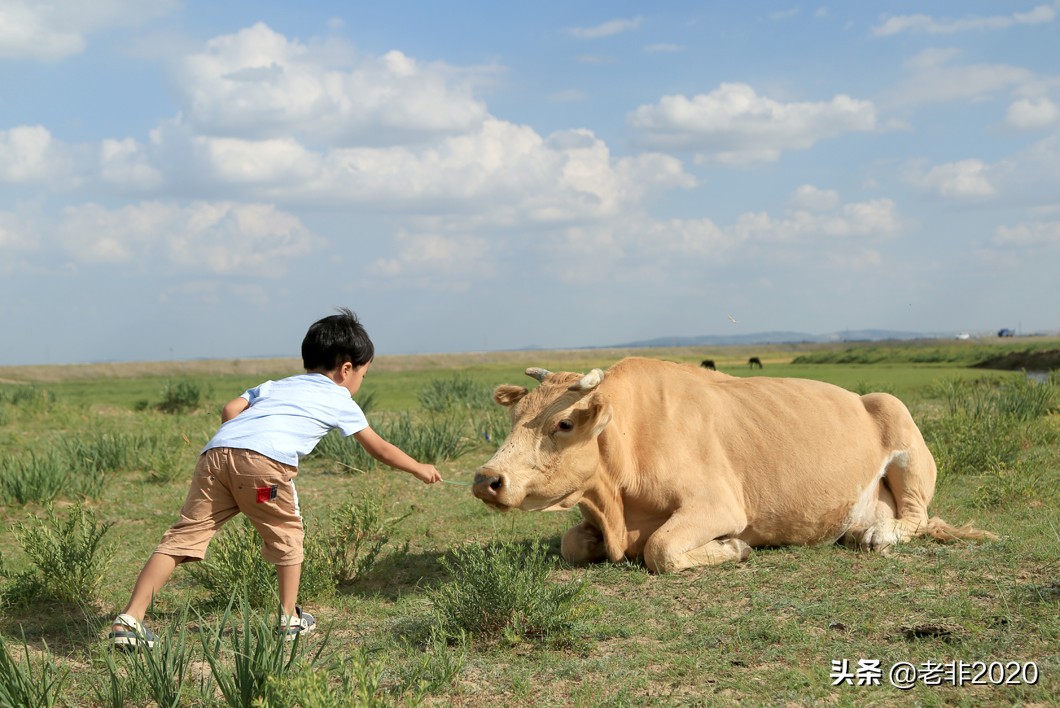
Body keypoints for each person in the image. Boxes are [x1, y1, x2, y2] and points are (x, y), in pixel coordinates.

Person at [109, 308, 442, 648]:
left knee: (182, 538)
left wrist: (241, 443)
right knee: (287, 534)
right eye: (363, 375)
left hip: (215, 456)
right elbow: (380, 449)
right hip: (262, 469)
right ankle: (289, 619)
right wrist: (419, 468)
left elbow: (229, 410)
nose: (359, 382)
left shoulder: (274, 385)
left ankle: (130, 620)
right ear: (346, 370)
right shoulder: (339, 398)